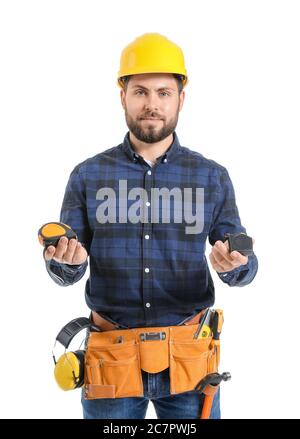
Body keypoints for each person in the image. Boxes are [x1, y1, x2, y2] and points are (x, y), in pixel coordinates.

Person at [43, 33, 258, 419]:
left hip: (189, 358)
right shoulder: (87, 175)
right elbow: (66, 270)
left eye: (163, 93)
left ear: (181, 98)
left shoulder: (211, 177)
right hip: (111, 356)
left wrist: (237, 264)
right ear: (122, 96)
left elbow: (243, 259)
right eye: (141, 91)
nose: (152, 104)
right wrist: (65, 261)